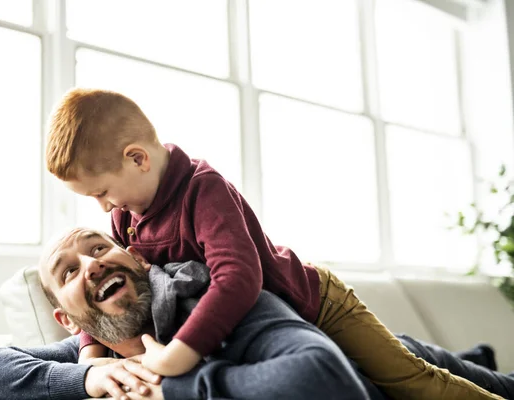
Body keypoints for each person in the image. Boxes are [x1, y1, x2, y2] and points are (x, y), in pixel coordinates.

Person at [46, 88, 504, 399]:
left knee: (411, 379)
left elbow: (239, 278)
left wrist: (175, 359)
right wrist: (90, 356)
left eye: (101, 192)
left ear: (137, 158)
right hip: (270, 339)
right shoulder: (127, 214)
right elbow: (115, 274)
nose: (105, 209)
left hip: (316, 303)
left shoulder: (204, 190)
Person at [0, 228, 514, 400]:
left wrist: (168, 386)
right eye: (68, 271)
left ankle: (476, 360)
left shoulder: (210, 299)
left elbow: (324, 381)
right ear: (67, 320)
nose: (91, 265)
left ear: (139, 258)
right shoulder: (94, 360)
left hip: (390, 372)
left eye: (99, 248)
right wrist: (84, 376)